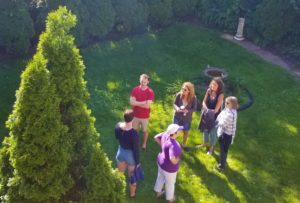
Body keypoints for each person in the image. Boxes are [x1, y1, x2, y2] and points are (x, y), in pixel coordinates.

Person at [153, 124, 183, 203]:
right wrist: (178, 159)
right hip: (169, 168)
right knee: (170, 183)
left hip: (160, 161)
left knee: (160, 177)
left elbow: (155, 137)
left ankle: (157, 192)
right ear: (175, 133)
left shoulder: (166, 134)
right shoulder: (174, 145)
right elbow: (172, 159)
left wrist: (163, 146)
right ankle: (170, 199)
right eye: (179, 130)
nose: (180, 131)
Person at [115, 109, 140, 198]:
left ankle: (117, 189)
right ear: (132, 119)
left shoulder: (117, 126)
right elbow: (136, 149)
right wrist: (137, 162)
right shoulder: (134, 134)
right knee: (132, 177)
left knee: (120, 173)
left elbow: (117, 137)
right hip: (130, 156)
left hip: (121, 151)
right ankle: (132, 194)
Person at [198, 77, 224, 155]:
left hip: (215, 116)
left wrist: (208, 112)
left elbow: (216, 109)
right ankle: (205, 143)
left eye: (215, 85)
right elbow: (203, 102)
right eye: (212, 84)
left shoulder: (220, 95)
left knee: (213, 132)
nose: (212, 86)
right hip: (206, 113)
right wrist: (206, 110)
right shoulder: (209, 91)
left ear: (219, 86)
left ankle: (211, 149)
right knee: (205, 129)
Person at [130, 73, 154, 150]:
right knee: (135, 130)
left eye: (144, 82)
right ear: (139, 80)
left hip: (145, 116)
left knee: (144, 131)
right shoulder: (135, 89)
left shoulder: (150, 92)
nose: (143, 83)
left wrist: (136, 103)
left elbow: (147, 106)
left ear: (148, 82)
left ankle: (144, 143)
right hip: (135, 115)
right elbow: (131, 102)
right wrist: (143, 102)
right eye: (141, 81)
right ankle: (136, 142)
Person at [215, 96, 238, 172]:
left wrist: (219, 121)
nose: (225, 104)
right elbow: (223, 113)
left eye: (227, 103)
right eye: (225, 102)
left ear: (232, 104)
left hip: (226, 135)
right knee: (225, 149)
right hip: (228, 135)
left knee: (223, 150)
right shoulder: (231, 110)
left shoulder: (230, 115)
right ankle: (223, 161)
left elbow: (222, 124)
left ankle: (221, 165)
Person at [173, 82, 197, 151]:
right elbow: (174, 104)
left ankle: (183, 145)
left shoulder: (193, 98)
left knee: (185, 132)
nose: (183, 91)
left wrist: (188, 111)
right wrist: (177, 108)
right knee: (175, 131)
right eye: (182, 89)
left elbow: (194, 109)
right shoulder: (179, 95)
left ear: (189, 91)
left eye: (185, 90)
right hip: (177, 117)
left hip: (187, 119)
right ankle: (174, 145)